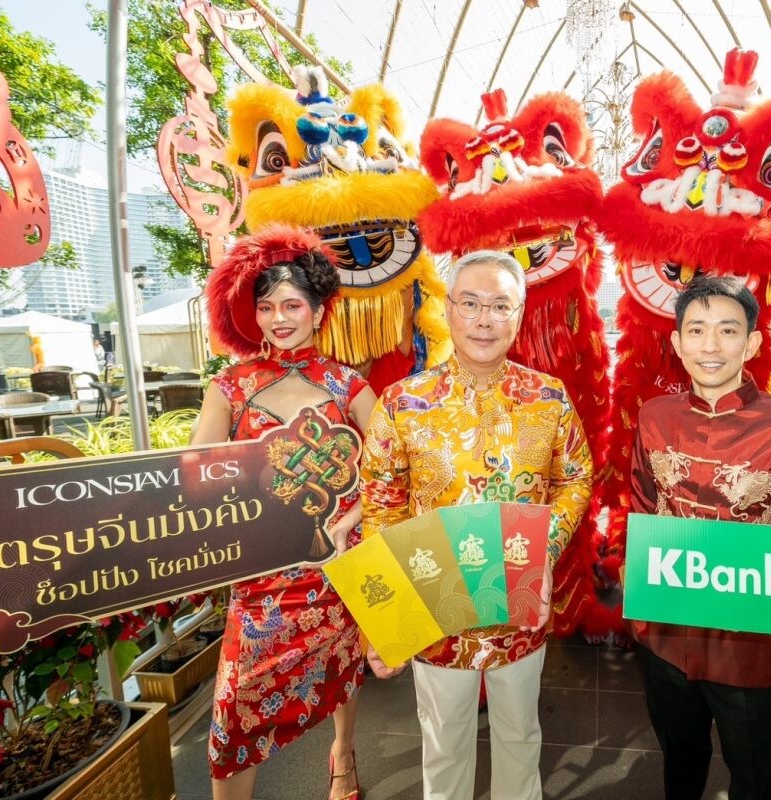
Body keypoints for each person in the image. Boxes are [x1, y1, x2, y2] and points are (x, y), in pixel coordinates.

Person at [360, 249, 593, 800]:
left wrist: (540, 548)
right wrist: (389, 613)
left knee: (520, 735)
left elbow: (576, 480)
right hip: (437, 605)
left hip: (520, 602)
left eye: (499, 305)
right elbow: (382, 503)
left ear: (518, 315)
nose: (484, 319)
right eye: (470, 303)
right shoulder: (402, 403)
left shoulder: (550, 399)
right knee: (443, 742)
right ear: (448, 308)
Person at [628, 275, 771, 800]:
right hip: (666, 629)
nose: (711, 345)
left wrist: (768, 567)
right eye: (697, 330)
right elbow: (642, 499)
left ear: (752, 343)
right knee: (679, 760)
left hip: (748, 641)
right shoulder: (653, 417)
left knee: (752, 772)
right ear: (677, 342)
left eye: (728, 330)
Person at [195, 226, 377, 800]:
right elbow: (196, 474)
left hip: (336, 568)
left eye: (292, 304)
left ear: (319, 311)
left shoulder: (348, 383)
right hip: (259, 579)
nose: (278, 317)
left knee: (345, 669)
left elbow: (392, 470)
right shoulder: (228, 388)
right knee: (233, 714)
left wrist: (360, 511)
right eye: (266, 305)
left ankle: (343, 755)